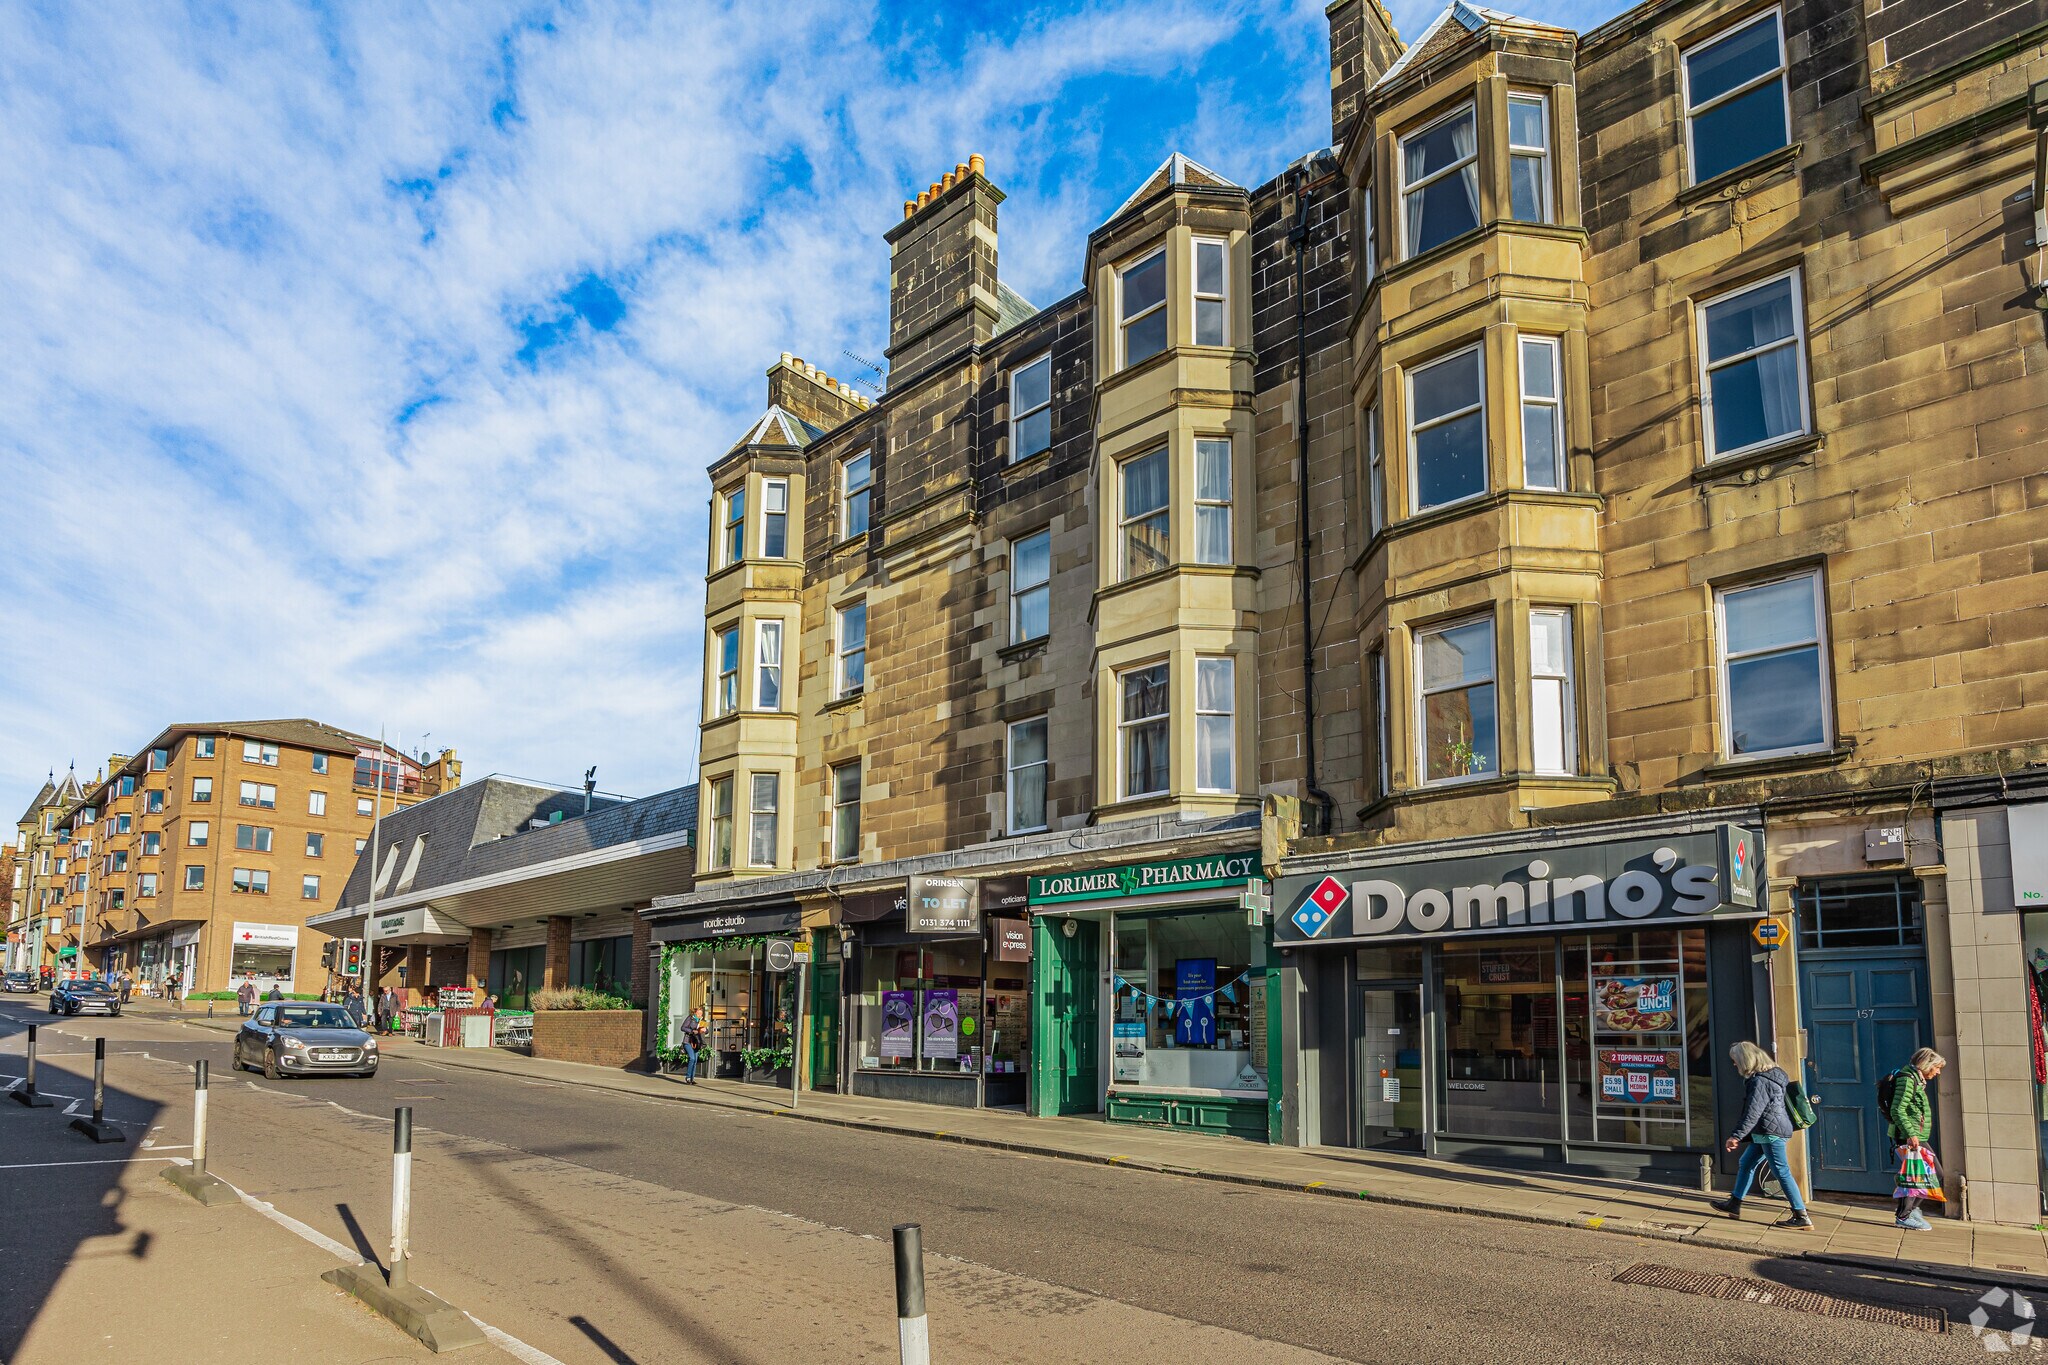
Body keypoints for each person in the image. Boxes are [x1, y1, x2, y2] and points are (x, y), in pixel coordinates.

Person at [1710, 1040, 1814, 1230]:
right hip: (1767, 1131)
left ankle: (1801, 1216)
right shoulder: (1773, 1075)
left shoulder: (1760, 1081)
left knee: (1781, 1171)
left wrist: (1736, 1136)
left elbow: (1752, 1113)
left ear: (1745, 1059)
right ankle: (1734, 1203)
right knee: (1746, 1163)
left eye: (1735, 1059)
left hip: (1770, 1133)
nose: (1734, 1063)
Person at [1886, 1047, 1947, 1230]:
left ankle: (1909, 1211)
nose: (1938, 1072)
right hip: (1908, 1136)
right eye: (1937, 1067)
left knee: (1921, 1175)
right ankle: (1905, 1215)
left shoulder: (1916, 1079)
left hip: (1915, 1136)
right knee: (1920, 1176)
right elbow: (1897, 1109)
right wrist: (1910, 1134)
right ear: (1927, 1065)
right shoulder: (1907, 1080)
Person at [680, 1008, 706, 1085]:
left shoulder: (702, 1021)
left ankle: (692, 1079)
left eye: (701, 1014)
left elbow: (706, 1030)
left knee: (695, 1061)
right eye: (698, 1013)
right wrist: (692, 1031)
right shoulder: (690, 1018)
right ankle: (688, 1077)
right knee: (692, 1058)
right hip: (688, 1041)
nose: (700, 1015)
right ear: (695, 1013)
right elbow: (683, 1028)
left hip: (697, 1042)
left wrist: (705, 1030)